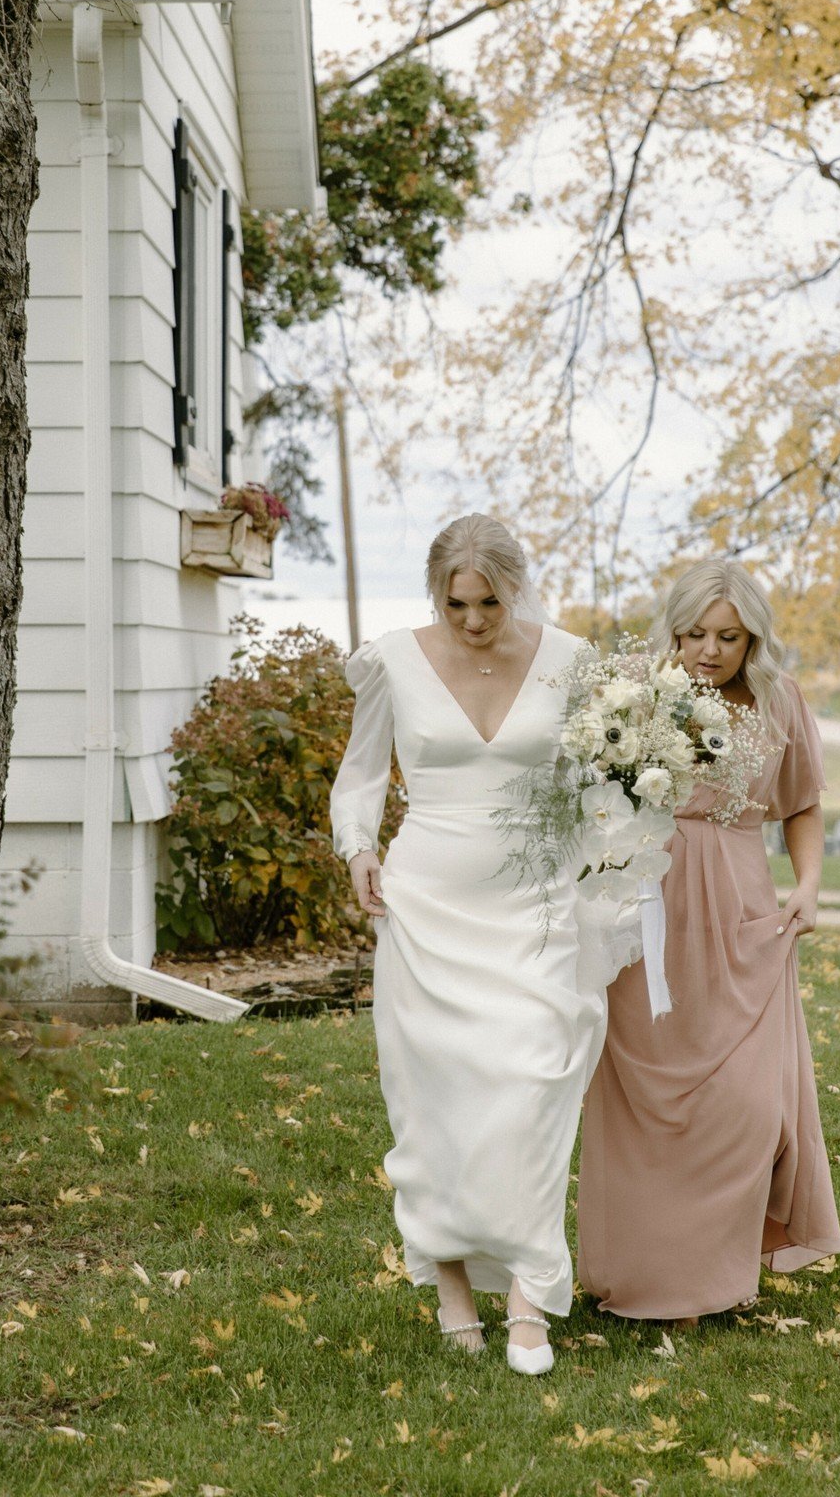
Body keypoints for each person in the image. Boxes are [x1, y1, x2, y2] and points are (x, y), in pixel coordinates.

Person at [330, 513, 605, 1374]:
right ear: (434, 595)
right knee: (436, 1102)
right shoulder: (393, 659)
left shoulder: (572, 662)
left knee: (533, 1083)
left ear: (515, 590)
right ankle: (452, 1289)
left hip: (539, 901)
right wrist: (360, 847)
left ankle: (529, 1289)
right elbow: (360, 772)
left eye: (489, 603)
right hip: (426, 903)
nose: (474, 621)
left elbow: (601, 780)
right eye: (457, 605)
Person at [577, 558, 840, 1319]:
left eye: (728, 636)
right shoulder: (637, 690)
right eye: (694, 632)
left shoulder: (779, 702)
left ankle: (717, 1276)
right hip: (646, 912)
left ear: (752, 636)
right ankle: (643, 1278)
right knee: (644, 1103)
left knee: (747, 1105)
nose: (709, 649)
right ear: (674, 630)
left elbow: (802, 807)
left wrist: (809, 886)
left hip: (741, 920)